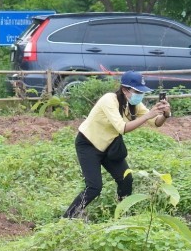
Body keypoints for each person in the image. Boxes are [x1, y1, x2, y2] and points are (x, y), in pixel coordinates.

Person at [63, 71, 170, 218]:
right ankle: (67, 217)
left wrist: (165, 114)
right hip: (88, 143)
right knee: (94, 187)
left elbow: (156, 123)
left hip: (109, 145)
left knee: (126, 179)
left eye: (141, 91)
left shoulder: (135, 104)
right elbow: (122, 128)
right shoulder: (109, 100)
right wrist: (148, 115)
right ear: (125, 90)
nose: (140, 95)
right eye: (137, 91)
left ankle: (121, 214)